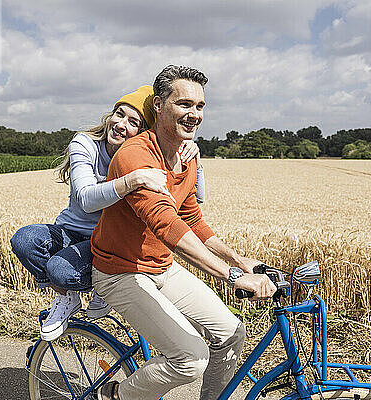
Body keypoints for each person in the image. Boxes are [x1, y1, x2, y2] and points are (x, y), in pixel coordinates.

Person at [91, 66, 277, 400]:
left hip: (162, 268)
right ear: (159, 105)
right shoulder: (134, 156)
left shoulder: (186, 156)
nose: (194, 114)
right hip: (120, 272)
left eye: (200, 106)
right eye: (185, 104)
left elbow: (191, 218)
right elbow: (165, 223)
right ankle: (114, 396)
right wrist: (231, 276)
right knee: (191, 359)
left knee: (232, 333)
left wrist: (239, 260)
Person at [10, 85, 206, 341]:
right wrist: (132, 180)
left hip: (109, 242)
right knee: (24, 239)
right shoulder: (86, 143)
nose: (120, 124)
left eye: (133, 121)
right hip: (72, 231)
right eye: (119, 113)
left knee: (60, 268)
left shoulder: (143, 156)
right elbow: (86, 200)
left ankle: (103, 287)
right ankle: (66, 297)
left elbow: (197, 198)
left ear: (145, 131)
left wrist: (196, 162)